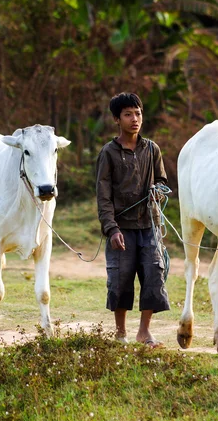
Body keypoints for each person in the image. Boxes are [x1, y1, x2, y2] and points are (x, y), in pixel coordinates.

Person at [95, 92, 170, 348]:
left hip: (148, 225)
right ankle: (120, 333)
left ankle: (144, 332)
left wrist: (158, 192)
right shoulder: (108, 153)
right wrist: (111, 228)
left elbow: (162, 180)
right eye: (128, 114)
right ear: (117, 119)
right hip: (121, 228)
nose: (134, 119)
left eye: (137, 113)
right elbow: (103, 196)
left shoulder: (151, 149)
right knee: (121, 279)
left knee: (153, 276)